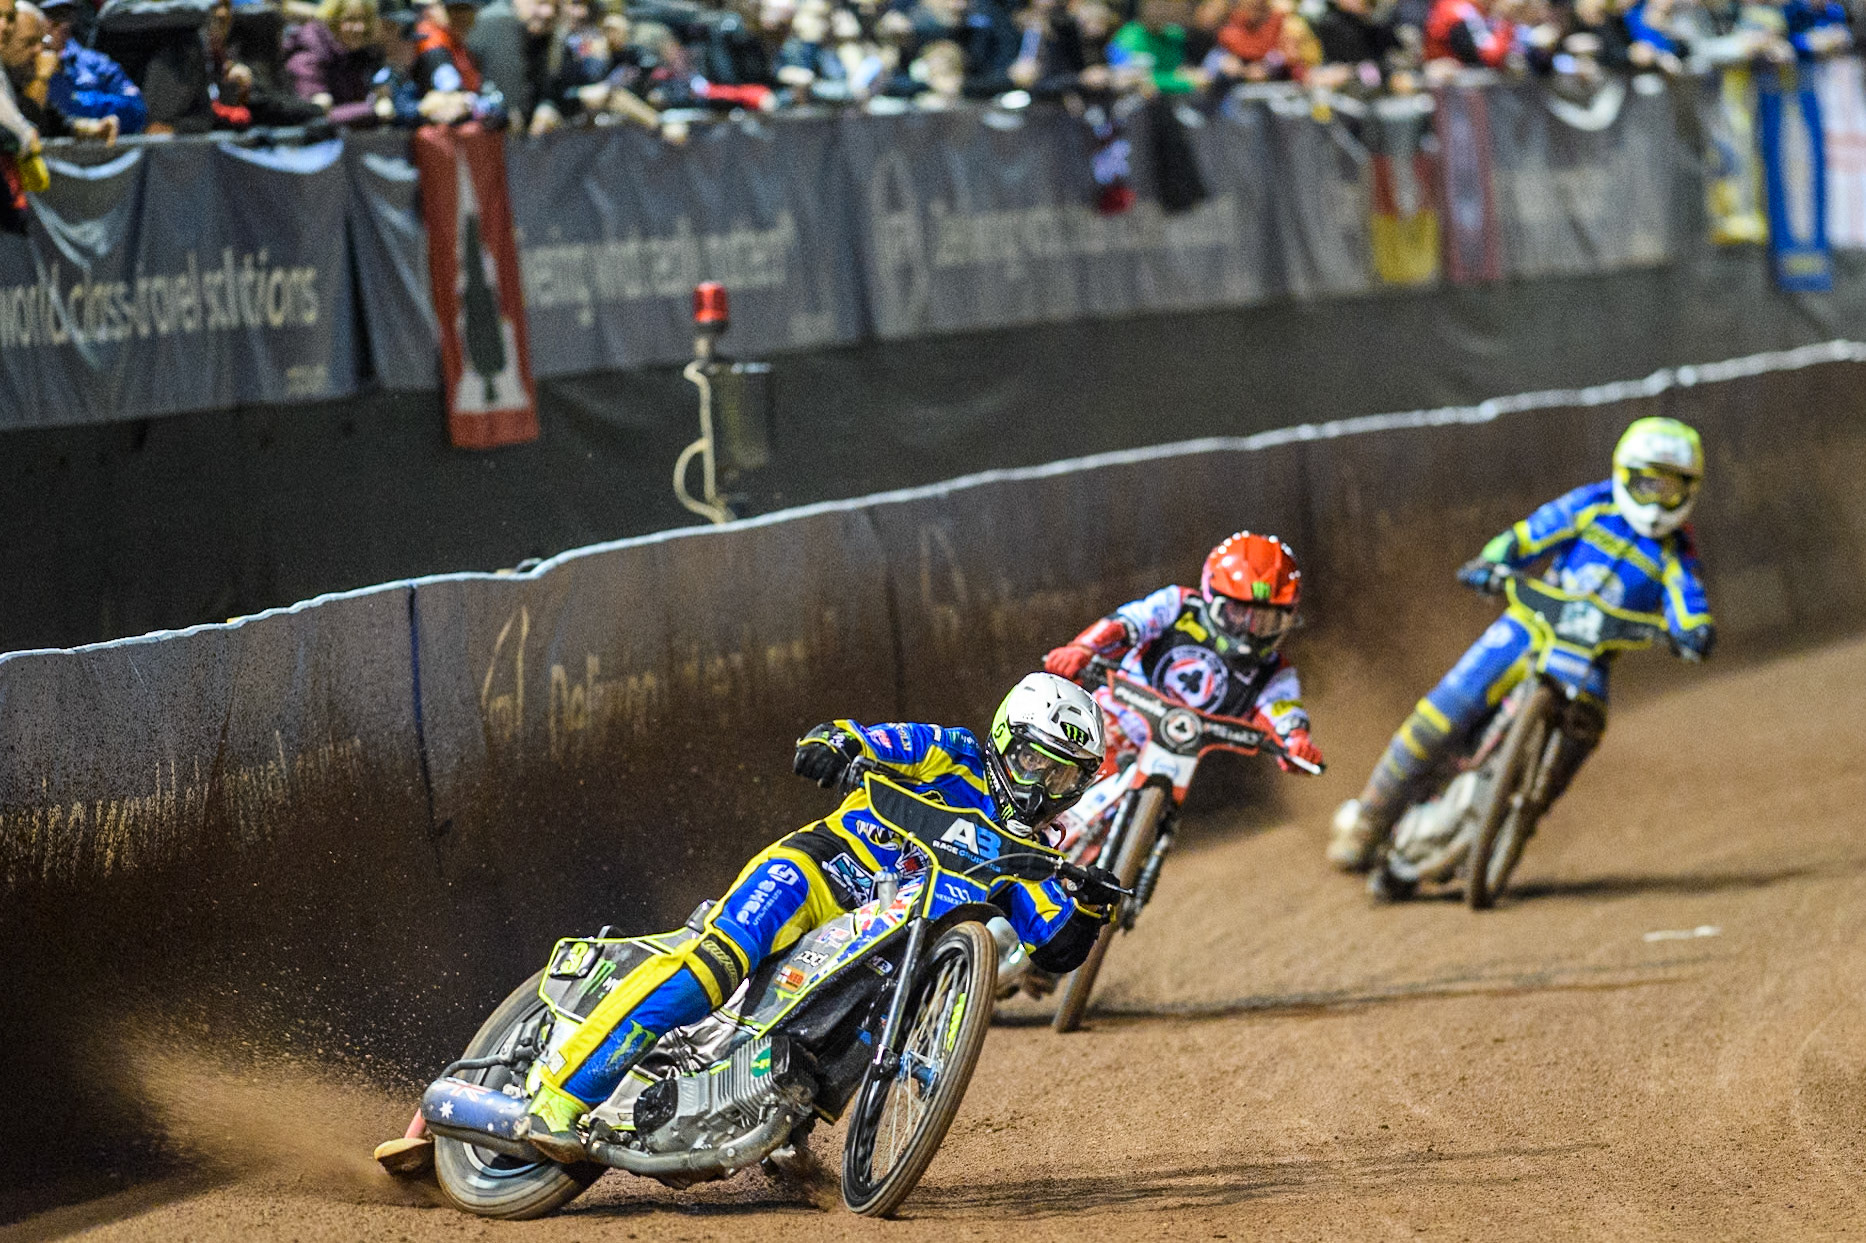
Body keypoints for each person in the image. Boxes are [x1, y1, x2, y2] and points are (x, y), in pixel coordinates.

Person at [521, 672, 1124, 1161]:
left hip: (891, 943)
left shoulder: (1037, 859)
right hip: (823, 874)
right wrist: (837, 746)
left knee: (889, 1006)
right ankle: (559, 1099)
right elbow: (861, 737)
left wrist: (1093, 907)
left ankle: (785, 1121)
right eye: (1034, 762)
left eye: (1064, 774)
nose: (1043, 784)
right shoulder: (951, 753)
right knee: (716, 964)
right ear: (1004, 740)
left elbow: (1055, 949)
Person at [1328, 417, 1716, 873]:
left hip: (1589, 663)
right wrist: (1494, 560)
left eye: (1668, 488)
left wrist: (1695, 630)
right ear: (1624, 474)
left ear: (1688, 490)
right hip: (1529, 628)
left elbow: (1688, 601)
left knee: (1586, 730)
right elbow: (1531, 533)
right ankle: (1370, 819)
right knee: (1442, 712)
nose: (1655, 499)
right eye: (1647, 483)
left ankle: (1521, 820)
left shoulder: (1677, 554)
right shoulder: (1592, 506)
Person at [1042, 531, 1325, 785]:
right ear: (1211, 597)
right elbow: (1129, 621)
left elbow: (1285, 713)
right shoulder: (1177, 605)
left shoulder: (1275, 673)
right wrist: (1082, 648)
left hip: (1170, 763)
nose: (1250, 632)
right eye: (1239, 613)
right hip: (1109, 720)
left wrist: (1297, 742)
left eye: (1266, 621)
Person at [39, 0, 146, 134]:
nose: (63, 25)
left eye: (67, 16)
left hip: (110, 149)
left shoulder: (95, 62)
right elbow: (38, 114)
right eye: (54, 18)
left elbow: (136, 108)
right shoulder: (27, 63)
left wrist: (78, 100)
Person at [283, 0, 385, 124]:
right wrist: (372, 109)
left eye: (365, 20)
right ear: (332, 21)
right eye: (350, 20)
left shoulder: (360, 54)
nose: (360, 28)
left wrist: (381, 98)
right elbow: (317, 115)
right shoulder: (308, 55)